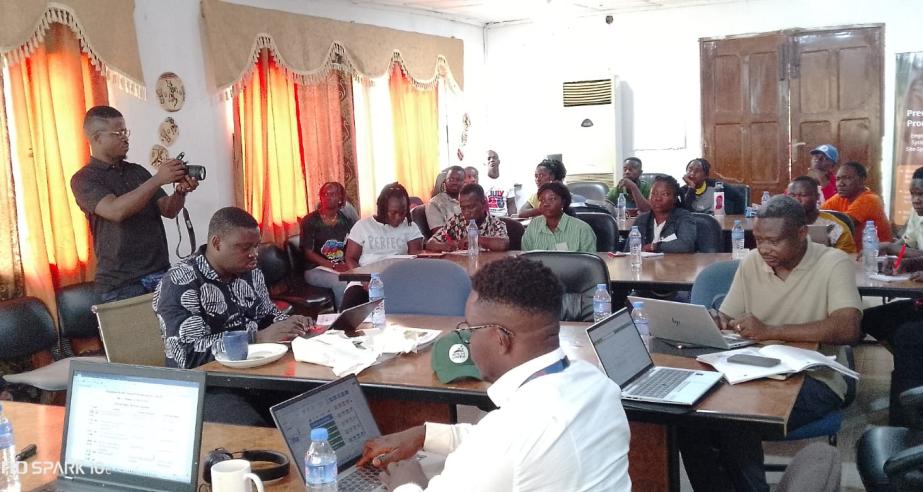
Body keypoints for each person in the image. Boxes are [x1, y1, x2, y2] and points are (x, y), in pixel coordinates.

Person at [358, 256, 631, 491]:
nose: (465, 338)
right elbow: (499, 442)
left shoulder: (512, 431)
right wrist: (424, 434)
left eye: (469, 329)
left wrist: (407, 482)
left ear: (501, 338)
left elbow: (504, 442)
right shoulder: (596, 384)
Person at [678, 195, 862, 492]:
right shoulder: (753, 262)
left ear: (802, 233)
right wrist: (717, 320)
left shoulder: (833, 263)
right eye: (759, 239)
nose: (765, 249)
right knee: (690, 423)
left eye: (774, 241)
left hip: (817, 377)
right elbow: (727, 313)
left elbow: (848, 327)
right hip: (756, 372)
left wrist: (770, 330)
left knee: (736, 418)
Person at [155, 207, 312, 369]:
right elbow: (186, 354)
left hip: (253, 364)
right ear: (217, 243)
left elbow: (266, 314)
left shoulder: (250, 271)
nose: (254, 254)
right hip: (208, 380)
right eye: (245, 248)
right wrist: (255, 338)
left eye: (256, 246)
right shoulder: (180, 282)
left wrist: (291, 324)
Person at [71, 105, 199, 302]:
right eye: (118, 132)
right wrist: (157, 179)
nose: (125, 137)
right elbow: (115, 211)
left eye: (125, 131)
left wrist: (180, 193)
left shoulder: (137, 171)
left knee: (168, 332)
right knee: (133, 334)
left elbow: (168, 209)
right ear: (97, 138)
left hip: (159, 272)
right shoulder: (84, 179)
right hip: (120, 283)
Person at [299, 182, 355, 310]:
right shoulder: (310, 221)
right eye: (325, 194)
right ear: (320, 197)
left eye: (333, 194)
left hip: (340, 266)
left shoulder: (346, 221)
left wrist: (349, 264)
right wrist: (334, 266)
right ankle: (342, 318)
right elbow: (308, 253)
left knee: (361, 277)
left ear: (340, 198)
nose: (328, 197)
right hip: (315, 269)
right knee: (340, 282)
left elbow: (351, 246)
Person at [345, 183, 424, 268]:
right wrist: (361, 278)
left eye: (402, 212)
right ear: (382, 209)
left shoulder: (410, 227)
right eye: (393, 213)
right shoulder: (362, 227)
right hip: (366, 276)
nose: (398, 217)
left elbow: (415, 260)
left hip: (399, 275)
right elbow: (350, 258)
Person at [821, 161, 892, 249]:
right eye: (838, 179)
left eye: (847, 178)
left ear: (862, 180)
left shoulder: (870, 199)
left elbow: (846, 223)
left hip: (874, 256)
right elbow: (819, 215)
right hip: (853, 254)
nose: (840, 184)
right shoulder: (840, 198)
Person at [426, 184, 509, 252]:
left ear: (483, 204)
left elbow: (503, 244)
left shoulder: (494, 222)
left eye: (471, 207)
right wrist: (444, 246)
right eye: (463, 208)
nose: (466, 212)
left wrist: (475, 239)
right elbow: (430, 243)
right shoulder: (457, 221)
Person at [626, 175, 696, 253]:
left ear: (675, 198)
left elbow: (686, 245)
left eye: (664, 194)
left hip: (675, 264)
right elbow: (628, 250)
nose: (657, 198)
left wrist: (654, 246)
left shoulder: (683, 217)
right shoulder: (642, 220)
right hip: (646, 264)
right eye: (653, 194)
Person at [786, 176, 856, 254]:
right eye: (792, 195)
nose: (797, 200)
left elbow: (847, 259)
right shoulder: (780, 224)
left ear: (817, 197)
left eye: (803, 195)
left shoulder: (836, 227)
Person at [521, 182, 596, 253]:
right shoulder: (533, 226)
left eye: (552, 199)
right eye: (542, 200)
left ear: (563, 202)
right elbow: (526, 258)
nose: (546, 204)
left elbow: (590, 263)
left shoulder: (582, 230)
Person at [880, 166, 923, 260]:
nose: (915, 200)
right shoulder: (915, 213)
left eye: (921, 194)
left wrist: (890, 247)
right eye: (913, 194)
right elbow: (907, 244)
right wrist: (887, 250)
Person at [426, 166, 464, 234]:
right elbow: (439, 234)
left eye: (458, 180)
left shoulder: (468, 200)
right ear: (445, 181)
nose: (454, 182)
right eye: (451, 179)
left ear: (464, 182)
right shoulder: (434, 203)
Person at [482, 150, 518, 217]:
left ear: (499, 161)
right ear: (484, 163)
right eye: (488, 158)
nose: (492, 160)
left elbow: (511, 203)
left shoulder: (508, 181)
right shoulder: (480, 182)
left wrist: (513, 220)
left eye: (494, 158)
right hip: (487, 220)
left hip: (504, 220)